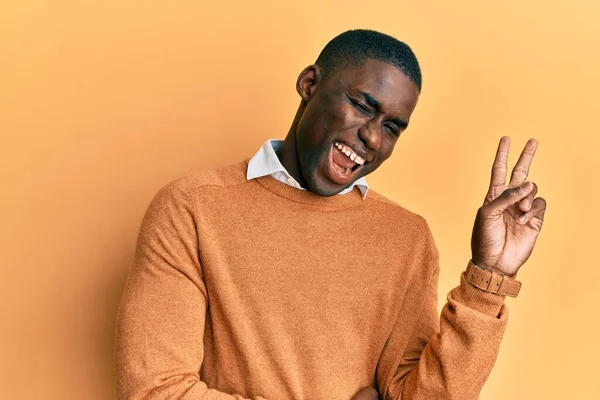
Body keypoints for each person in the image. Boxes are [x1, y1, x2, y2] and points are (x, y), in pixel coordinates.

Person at [115, 29, 546, 400]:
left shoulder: (405, 236)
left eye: (393, 127)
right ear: (309, 84)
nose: (373, 137)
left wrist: (488, 279)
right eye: (363, 105)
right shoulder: (192, 207)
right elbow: (157, 389)